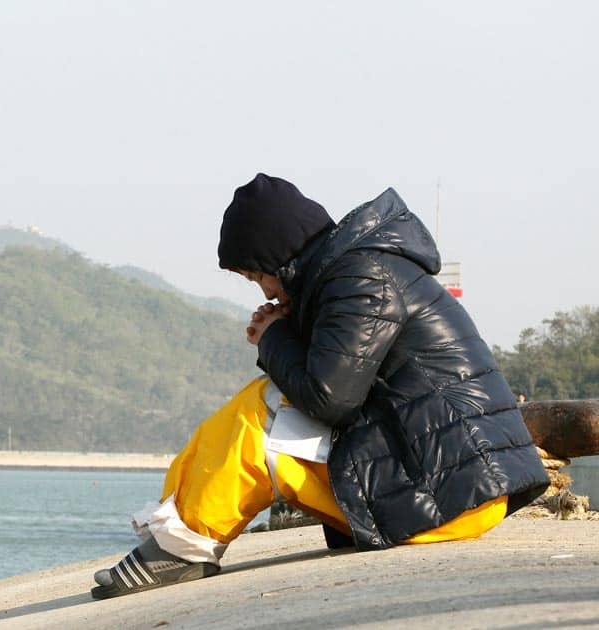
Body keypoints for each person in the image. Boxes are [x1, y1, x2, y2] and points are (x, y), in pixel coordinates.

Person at [91, 174, 549, 599]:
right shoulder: (356, 272)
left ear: (278, 257)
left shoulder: (363, 278)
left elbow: (331, 398)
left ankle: (182, 549)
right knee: (263, 404)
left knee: (261, 415)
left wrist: (274, 339)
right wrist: (288, 330)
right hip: (449, 483)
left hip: (449, 496)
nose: (264, 293)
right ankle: (175, 534)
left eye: (257, 276)